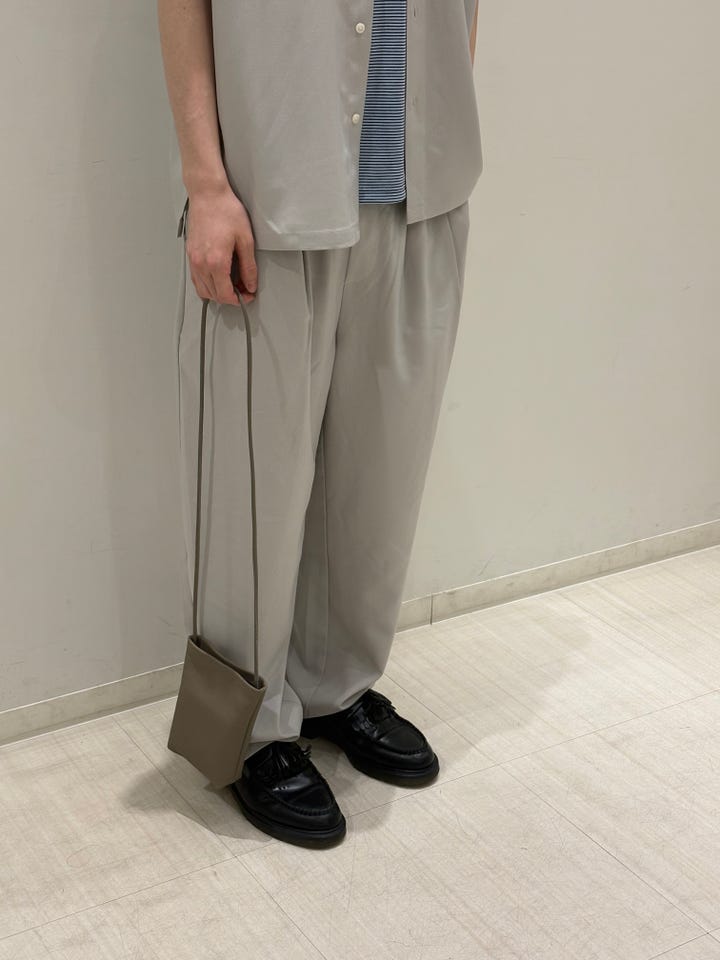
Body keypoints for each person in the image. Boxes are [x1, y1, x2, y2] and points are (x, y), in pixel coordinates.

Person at [157, 0, 482, 849]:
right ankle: (241, 731)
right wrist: (205, 184)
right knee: (250, 490)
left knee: (381, 476)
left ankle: (336, 690)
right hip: (272, 190)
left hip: (420, 188)